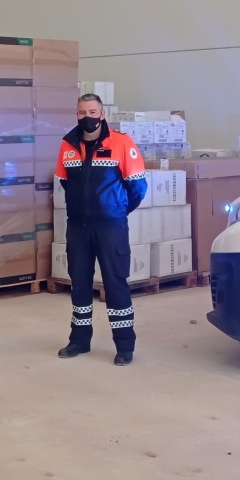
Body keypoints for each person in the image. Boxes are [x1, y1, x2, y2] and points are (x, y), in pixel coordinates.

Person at [55, 93, 147, 366]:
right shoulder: (67, 144)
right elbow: (64, 183)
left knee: (115, 285)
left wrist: (116, 210)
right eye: (82, 112)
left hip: (111, 228)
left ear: (102, 114)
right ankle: (79, 341)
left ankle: (124, 346)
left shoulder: (121, 142)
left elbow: (138, 187)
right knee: (79, 285)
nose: (87, 117)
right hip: (78, 228)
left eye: (92, 112)